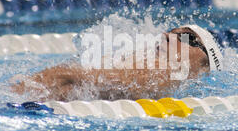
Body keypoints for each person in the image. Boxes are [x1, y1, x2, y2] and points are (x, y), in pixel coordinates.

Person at [12, 25, 223, 101]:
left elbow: (68, 78)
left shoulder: (166, 75)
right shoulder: (154, 72)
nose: (166, 35)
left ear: (204, 66)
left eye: (187, 38)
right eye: (171, 31)